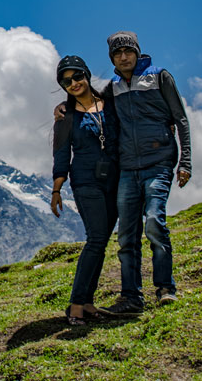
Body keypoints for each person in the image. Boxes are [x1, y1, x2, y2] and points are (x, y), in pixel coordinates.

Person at [100, 31, 192, 313]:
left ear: (137, 52)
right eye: (118, 53)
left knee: (154, 221)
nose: (124, 57)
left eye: (128, 51)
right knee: (126, 236)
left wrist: (185, 161)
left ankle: (166, 288)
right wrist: (62, 108)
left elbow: (181, 118)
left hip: (159, 163)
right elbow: (87, 104)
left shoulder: (159, 76)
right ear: (112, 58)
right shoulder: (111, 87)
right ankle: (131, 297)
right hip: (128, 168)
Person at [50, 55, 120, 326]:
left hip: (115, 181)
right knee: (96, 238)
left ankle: (88, 301)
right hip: (85, 182)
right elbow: (60, 154)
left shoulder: (112, 105)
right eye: (66, 81)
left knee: (101, 242)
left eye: (77, 76)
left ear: (87, 75)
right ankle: (76, 304)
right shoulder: (65, 117)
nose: (73, 83)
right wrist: (57, 189)